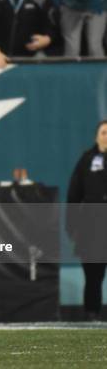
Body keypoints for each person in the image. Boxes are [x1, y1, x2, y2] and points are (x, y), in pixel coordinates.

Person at [67, 120, 107, 320]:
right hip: (92, 226)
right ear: (96, 136)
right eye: (103, 132)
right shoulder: (86, 160)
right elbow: (74, 195)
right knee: (93, 274)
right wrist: (71, 226)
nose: (106, 136)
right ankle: (92, 314)